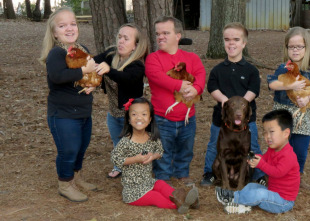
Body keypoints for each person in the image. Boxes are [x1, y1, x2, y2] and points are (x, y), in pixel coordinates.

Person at [39, 7, 97, 202]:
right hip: (63, 114)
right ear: (55, 32)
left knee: (81, 147)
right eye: (63, 26)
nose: (69, 28)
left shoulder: (82, 50)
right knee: (69, 149)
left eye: (73, 24)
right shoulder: (56, 53)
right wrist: (83, 70)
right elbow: (57, 77)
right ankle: (65, 183)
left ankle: (76, 178)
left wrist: (91, 84)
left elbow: (91, 75)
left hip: (83, 111)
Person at [145, 16, 206, 186]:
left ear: (178, 36)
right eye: (158, 33)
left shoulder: (192, 57)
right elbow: (157, 77)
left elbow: (200, 74)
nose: (160, 37)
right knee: (163, 149)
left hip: (187, 117)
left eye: (165, 33)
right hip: (163, 117)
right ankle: (162, 176)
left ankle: (182, 173)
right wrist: (179, 85)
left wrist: (196, 89)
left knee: (185, 148)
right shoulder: (153, 58)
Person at [200, 22, 263, 186]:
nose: (231, 43)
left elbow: (254, 90)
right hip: (221, 120)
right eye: (227, 39)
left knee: (253, 147)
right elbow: (212, 87)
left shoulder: (251, 70)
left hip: (246, 119)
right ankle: (209, 173)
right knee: (214, 145)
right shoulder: (218, 70)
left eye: (236, 39)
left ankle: (259, 175)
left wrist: (241, 106)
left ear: (244, 43)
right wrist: (224, 101)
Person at [111, 97, 199, 214]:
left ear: (150, 119)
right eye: (134, 114)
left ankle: (182, 198)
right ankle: (178, 204)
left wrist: (153, 156)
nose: (139, 118)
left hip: (149, 182)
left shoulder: (151, 137)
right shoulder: (126, 141)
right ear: (128, 119)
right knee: (156, 196)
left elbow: (160, 151)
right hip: (134, 191)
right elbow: (115, 159)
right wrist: (135, 159)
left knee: (161, 184)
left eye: (143, 114)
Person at [267, 27, 310, 191]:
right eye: (291, 46)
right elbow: (272, 84)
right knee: (279, 146)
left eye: (299, 46)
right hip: (282, 112)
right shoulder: (284, 67)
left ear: (306, 48)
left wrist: (309, 98)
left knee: (299, 149)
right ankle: (274, 176)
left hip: (303, 114)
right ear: (286, 48)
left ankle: (297, 177)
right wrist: (291, 84)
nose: (295, 50)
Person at [216, 109, 300, 214]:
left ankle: (232, 198)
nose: (267, 136)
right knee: (252, 186)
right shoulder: (273, 149)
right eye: (265, 132)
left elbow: (278, 172)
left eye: (272, 132)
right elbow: (265, 159)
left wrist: (261, 164)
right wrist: (255, 158)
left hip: (283, 201)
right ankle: (240, 201)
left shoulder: (288, 155)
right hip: (272, 191)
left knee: (260, 194)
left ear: (286, 133)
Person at [94, 23, 149, 179]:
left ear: (135, 45)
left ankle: (139, 170)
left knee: (134, 144)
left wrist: (108, 70)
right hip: (113, 112)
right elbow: (91, 61)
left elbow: (126, 79)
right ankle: (119, 166)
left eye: (126, 38)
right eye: (120, 37)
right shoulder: (111, 55)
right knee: (117, 142)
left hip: (131, 116)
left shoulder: (137, 65)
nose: (121, 41)